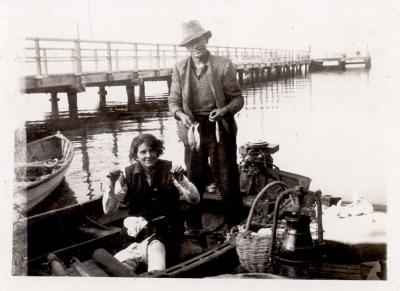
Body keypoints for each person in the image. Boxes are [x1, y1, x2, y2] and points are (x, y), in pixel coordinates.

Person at [168, 20, 244, 232]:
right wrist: (180, 115)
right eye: (190, 43)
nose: (195, 46)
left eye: (198, 40)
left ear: (206, 39)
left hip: (219, 126)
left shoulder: (223, 64)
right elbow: (172, 101)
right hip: (193, 129)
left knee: (226, 177)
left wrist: (224, 111)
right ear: (186, 47)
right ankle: (193, 228)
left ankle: (234, 226)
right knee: (193, 178)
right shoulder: (180, 68)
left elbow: (238, 99)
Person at [102, 134, 200, 272]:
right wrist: (111, 184)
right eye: (143, 152)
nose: (148, 155)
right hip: (137, 229)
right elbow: (109, 210)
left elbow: (195, 199)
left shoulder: (171, 170)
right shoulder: (126, 175)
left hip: (168, 226)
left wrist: (181, 179)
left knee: (156, 250)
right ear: (136, 155)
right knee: (125, 258)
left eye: (152, 150)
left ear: (158, 151)